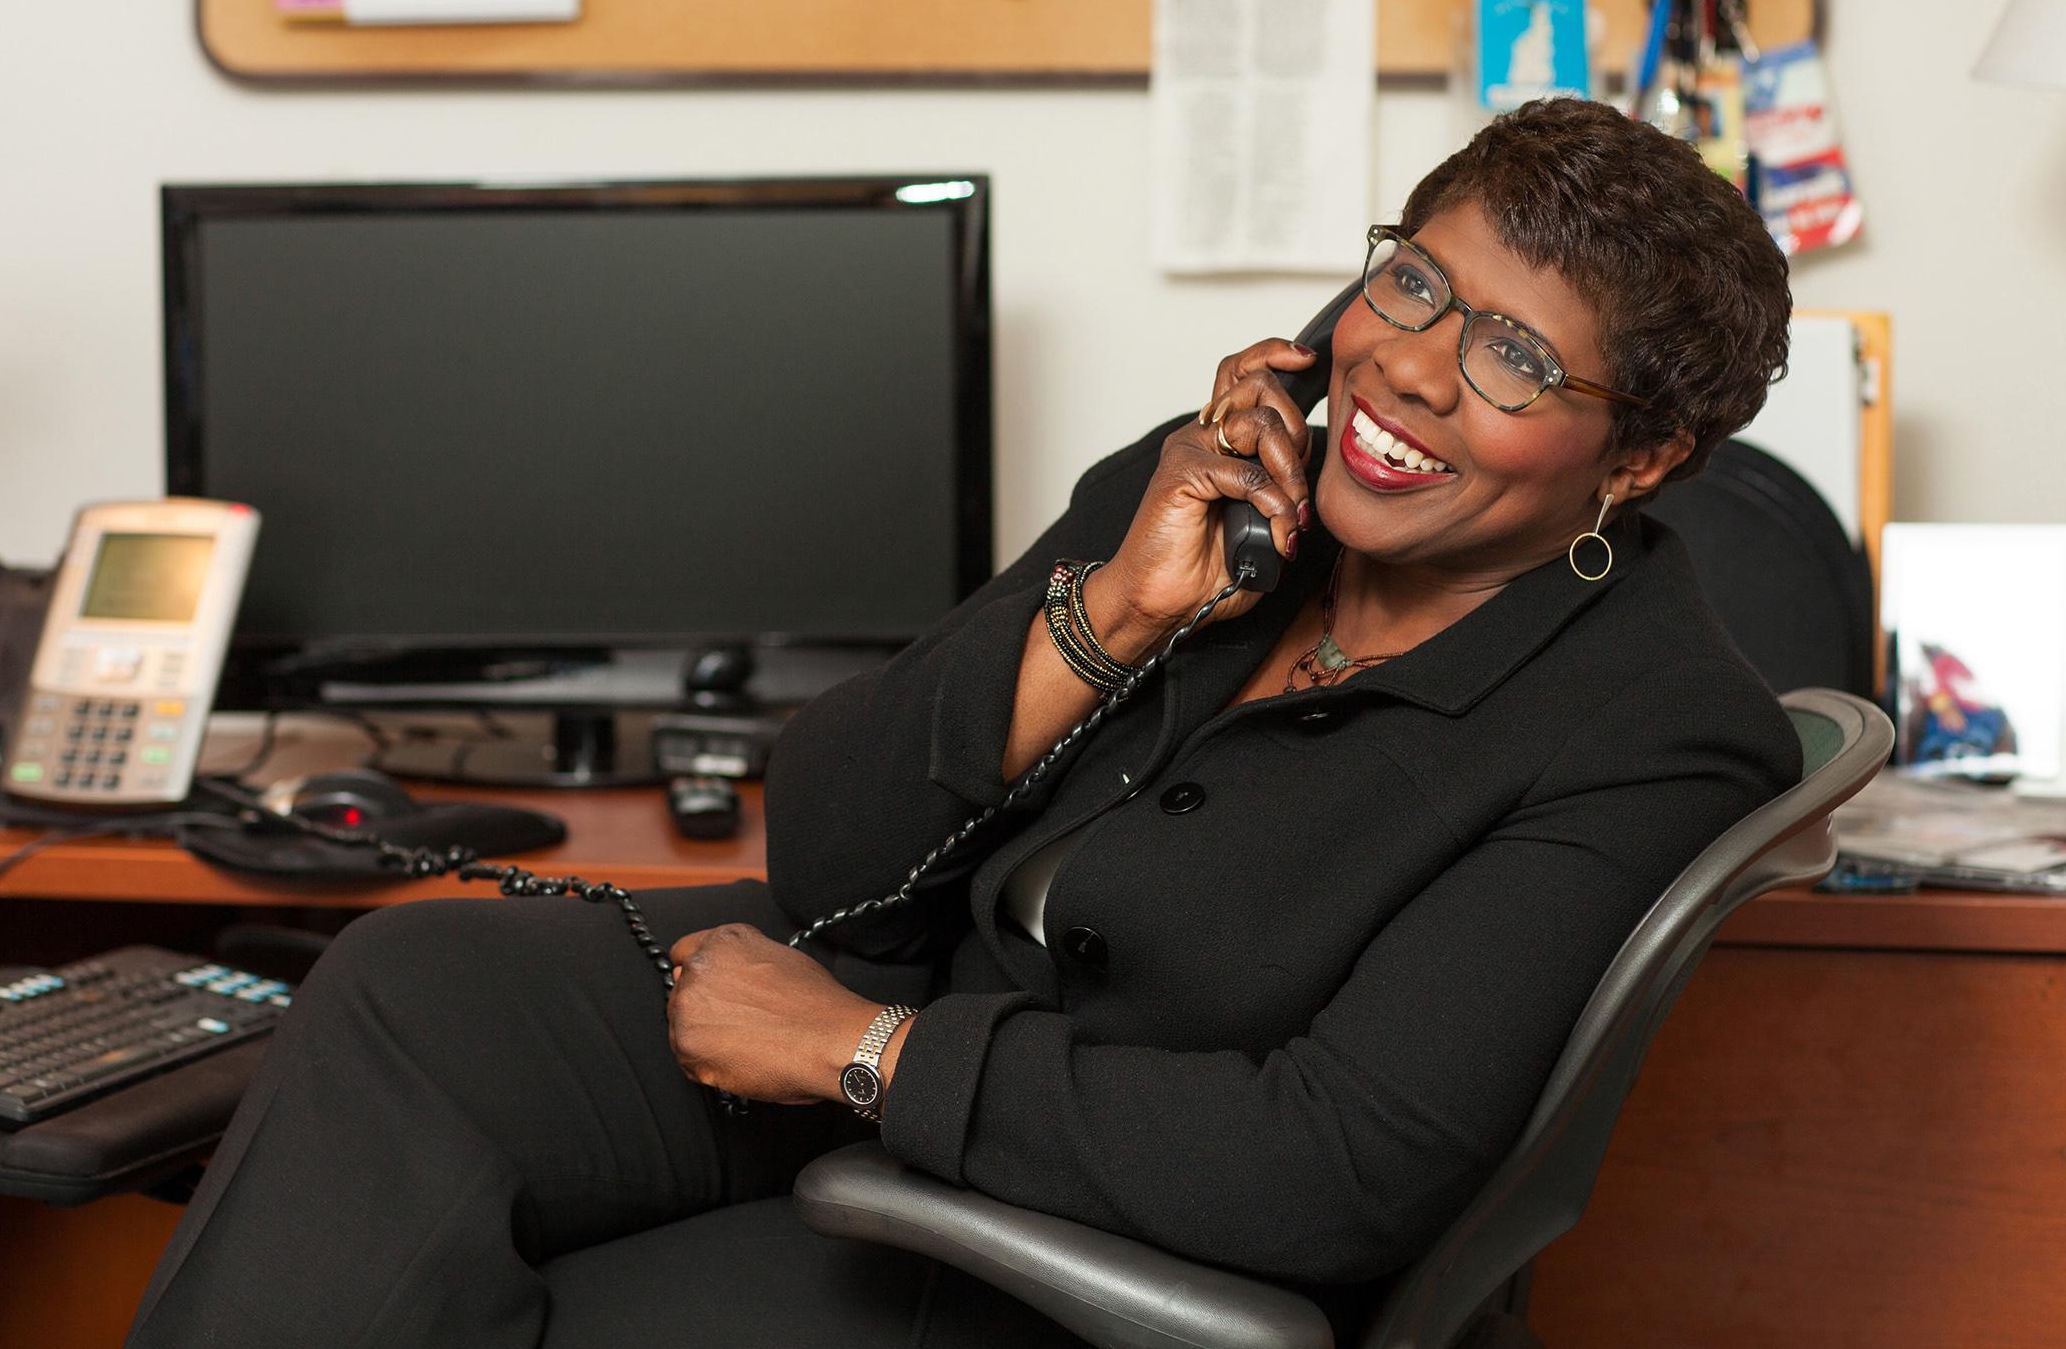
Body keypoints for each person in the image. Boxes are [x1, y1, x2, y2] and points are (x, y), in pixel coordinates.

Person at [128, 98, 1800, 1347]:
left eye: (1514, 357)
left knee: (556, 1307)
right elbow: (837, 854)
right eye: (1418, 285)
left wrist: (864, 1056)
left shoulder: (1648, 729)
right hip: (925, 1039)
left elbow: (1338, 1171)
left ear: (1637, 459)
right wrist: (1122, 612)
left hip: (1120, 1239)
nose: (1416, 371)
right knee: (407, 993)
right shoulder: (1226, 477)